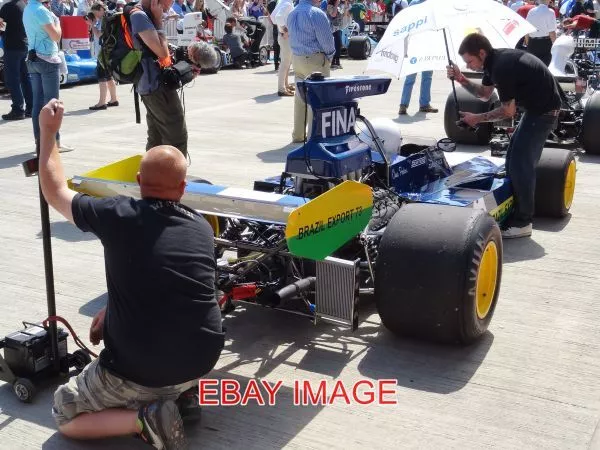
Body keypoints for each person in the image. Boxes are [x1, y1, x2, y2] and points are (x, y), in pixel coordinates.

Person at [38, 98, 225, 449]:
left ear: (139, 181)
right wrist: (111, 311)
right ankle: (182, 394)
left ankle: (144, 419)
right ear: (183, 189)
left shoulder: (117, 215)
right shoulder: (201, 227)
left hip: (140, 367)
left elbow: (55, 191)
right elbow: (168, 281)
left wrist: (48, 132)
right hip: (202, 358)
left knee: (64, 413)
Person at [447, 33, 562, 239]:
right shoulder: (492, 63)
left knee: (521, 164)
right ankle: (514, 210)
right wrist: (461, 78)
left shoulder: (502, 67)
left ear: (481, 52)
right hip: (535, 110)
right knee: (511, 159)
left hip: (544, 112)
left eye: (470, 61)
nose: (470, 66)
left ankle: (524, 221)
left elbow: (507, 112)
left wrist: (476, 118)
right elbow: (483, 93)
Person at [130, 0, 190, 157]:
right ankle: (174, 178)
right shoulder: (140, 16)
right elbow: (162, 52)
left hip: (152, 84)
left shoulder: (143, 14)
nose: (170, 4)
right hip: (155, 86)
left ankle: (151, 176)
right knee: (177, 137)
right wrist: (158, 21)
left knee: (156, 138)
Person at [24, 0, 74, 153]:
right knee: (52, 103)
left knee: (37, 104)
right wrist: (57, 21)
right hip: (46, 58)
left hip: (32, 58)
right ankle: (54, 143)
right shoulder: (41, 10)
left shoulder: (28, 8)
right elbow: (56, 36)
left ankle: (40, 141)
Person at [287, 0, 335, 142]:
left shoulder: (292, 13)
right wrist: (330, 56)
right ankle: (314, 136)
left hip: (297, 58)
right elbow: (326, 40)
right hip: (315, 59)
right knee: (318, 100)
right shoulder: (316, 13)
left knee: (300, 98)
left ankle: (298, 135)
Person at [398, 0, 437, 116]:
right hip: (424, 45)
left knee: (412, 77)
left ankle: (404, 105)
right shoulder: (432, 4)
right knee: (426, 77)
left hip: (416, 44)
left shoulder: (413, 3)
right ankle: (423, 104)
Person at [0, 0, 33, 121]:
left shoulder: (7, 7)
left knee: (12, 79)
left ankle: (18, 109)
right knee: (25, 78)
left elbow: (1, 25)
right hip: (24, 45)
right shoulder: (24, 6)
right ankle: (31, 107)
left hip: (12, 47)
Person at [86, 2, 119, 110]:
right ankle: (113, 99)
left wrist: (92, 24)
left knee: (102, 77)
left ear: (101, 9)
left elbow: (99, 34)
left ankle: (101, 102)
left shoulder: (105, 19)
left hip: (103, 53)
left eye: (96, 13)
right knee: (108, 76)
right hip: (108, 51)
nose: (96, 15)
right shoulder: (108, 17)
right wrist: (93, 24)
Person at [525, 0, 557, 66]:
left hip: (532, 42)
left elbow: (526, 29)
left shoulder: (531, 11)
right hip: (545, 43)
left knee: (532, 67)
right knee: (544, 67)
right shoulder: (550, 12)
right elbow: (552, 32)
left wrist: (528, 42)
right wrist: (555, 45)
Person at [327, 0, 343, 69]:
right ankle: (333, 62)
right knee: (335, 44)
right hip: (332, 28)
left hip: (338, 28)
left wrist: (345, 4)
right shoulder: (329, 6)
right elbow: (333, 15)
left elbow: (343, 14)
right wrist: (336, 4)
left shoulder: (339, 6)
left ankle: (338, 61)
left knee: (339, 45)